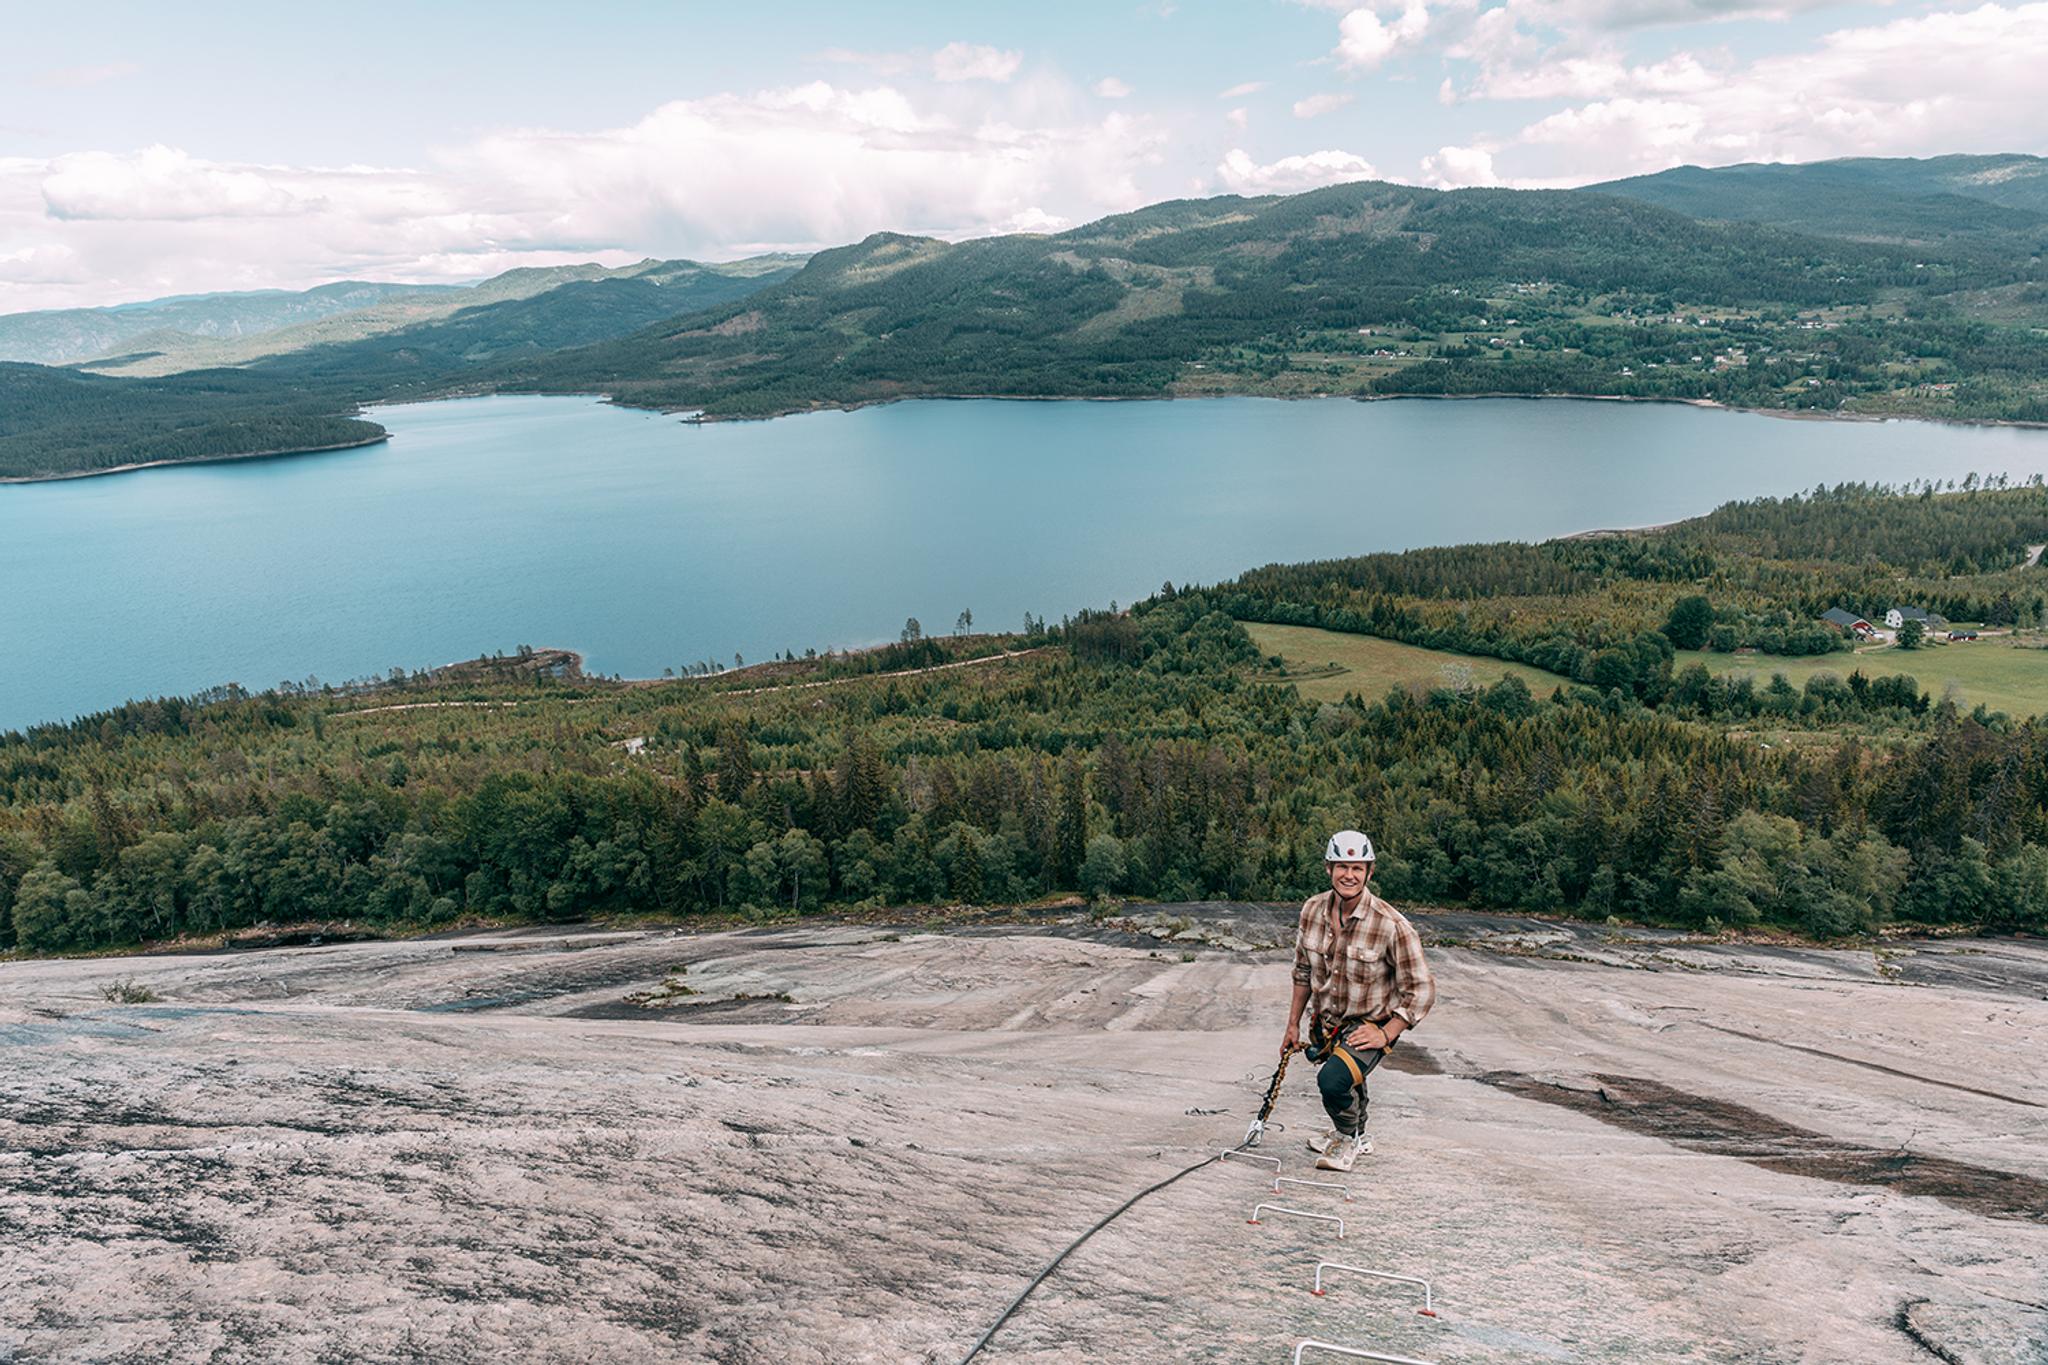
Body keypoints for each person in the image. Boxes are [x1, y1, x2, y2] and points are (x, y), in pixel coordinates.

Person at [1280, 829, 1435, 1172]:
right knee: (1346, 1075)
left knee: (1333, 1081)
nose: (1349, 875)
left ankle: (1346, 1139)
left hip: (1370, 1025)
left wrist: (1387, 1032)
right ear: (1328, 868)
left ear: (1370, 872)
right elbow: (1303, 971)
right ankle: (1358, 1134)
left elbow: (1421, 988)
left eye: (1357, 868)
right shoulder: (1312, 911)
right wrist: (1292, 1024)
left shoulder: (1391, 924)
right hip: (1329, 1022)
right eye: (1341, 867)